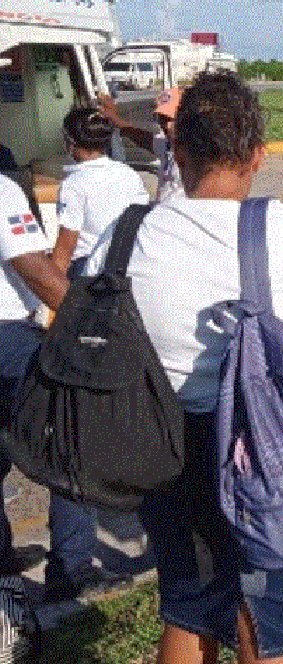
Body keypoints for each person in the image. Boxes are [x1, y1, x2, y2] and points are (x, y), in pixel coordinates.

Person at [85, 71, 283, 664]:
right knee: (275, 621)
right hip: (275, 457)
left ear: (180, 149)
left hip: (167, 454)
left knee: (190, 605)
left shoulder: (124, 236)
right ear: (258, 155)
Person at [0, 174, 134, 599]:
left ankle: (2, 562)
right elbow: (35, 269)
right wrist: (94, 318)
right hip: (8, 337)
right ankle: (71, 568)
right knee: (68, 439)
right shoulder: (1, 190)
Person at [51, 107, 150, 277]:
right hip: (126, 262)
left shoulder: (73, 184)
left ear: (71, 143)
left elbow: (66, 247)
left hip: (88, 267)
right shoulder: (128, 173)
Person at [98, 87, 184, 203]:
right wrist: (115, 118)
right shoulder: (167, 146)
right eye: (161, 119)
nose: (166, 126)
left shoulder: (199, 156)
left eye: (171, 119)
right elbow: (142, 138)